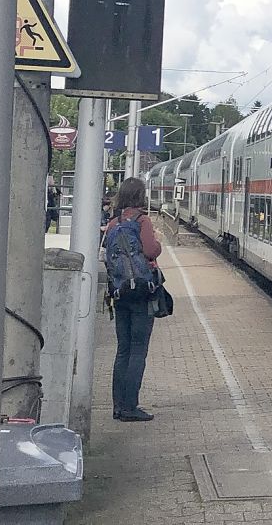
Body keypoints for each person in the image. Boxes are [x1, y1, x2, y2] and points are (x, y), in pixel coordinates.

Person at [104, 178, 161, 422]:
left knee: (123, 350)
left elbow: (107, 255)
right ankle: (130, 406)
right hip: (141, 293)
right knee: (138, 350)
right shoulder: (142, 220)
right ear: (140, 195)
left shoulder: (113, 222)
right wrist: (158, 244)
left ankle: (118, 406)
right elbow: (151, 250)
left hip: (120, 293)